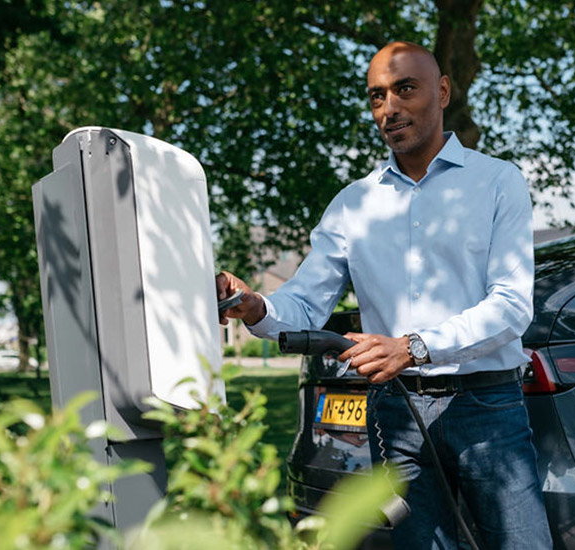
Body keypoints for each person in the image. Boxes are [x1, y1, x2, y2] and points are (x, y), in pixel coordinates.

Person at [216, 41, 552, 550]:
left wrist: (411, 346)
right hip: (396, 415)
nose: (389, 108)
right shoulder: (354, 204)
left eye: (404, 90)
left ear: (442, 91)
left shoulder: (498, 182)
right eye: (377, 97)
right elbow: (306, 304)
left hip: (487, 408)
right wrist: (256, 305)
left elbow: (510, 307)